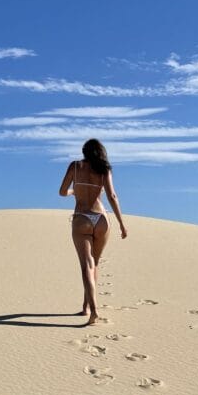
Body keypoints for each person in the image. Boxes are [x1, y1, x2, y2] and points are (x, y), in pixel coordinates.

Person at [59, 138, 127, 325]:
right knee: (94, 264)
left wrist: (74, 192)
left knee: (86, 265)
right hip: (102, 218)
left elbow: (62, 191)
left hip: (82, 217)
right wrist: (121, 223)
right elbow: (112, 196)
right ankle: (86, 306)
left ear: (84, 151)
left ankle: (93, 310)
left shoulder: (75, 166)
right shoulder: (104, 169)